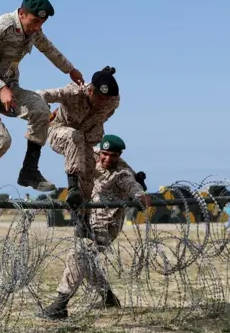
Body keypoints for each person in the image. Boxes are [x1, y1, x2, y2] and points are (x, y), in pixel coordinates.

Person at [0, 0, 85, 194]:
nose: (37, 27)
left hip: (9, 88)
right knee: (2, 141)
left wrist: (70, 70)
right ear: (22, 13)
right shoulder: (1, 27)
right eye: (35, 21)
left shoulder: (34, 31)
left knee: (40, 109)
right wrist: (0, 88)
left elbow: (49, 50)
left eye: (41, 24)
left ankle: (29, 171)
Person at [40, 135, 151, 320]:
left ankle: (60, 304)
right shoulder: (93, 155)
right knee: (86, 261)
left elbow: (133, 186)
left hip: (106, 226)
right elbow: (71, 150)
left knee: (79, 255)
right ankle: (108, 298)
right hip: (85, 220)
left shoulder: (122, 172)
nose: (107, 159)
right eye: (105, 154)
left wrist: (140, 196)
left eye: (113, 156)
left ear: (119, 155)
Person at [37, 66, 120, 207]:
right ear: (90, 90)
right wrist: (45, 112)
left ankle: (81, 217)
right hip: (59, 130)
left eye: (106, 99)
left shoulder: (113, 101)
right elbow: (40, 95)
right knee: (73, 136)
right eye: (99, 98)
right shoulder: (73, 92)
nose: (103, 102)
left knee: (87, 177)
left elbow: (104, 116)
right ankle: (73, 186)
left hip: (85, 140)